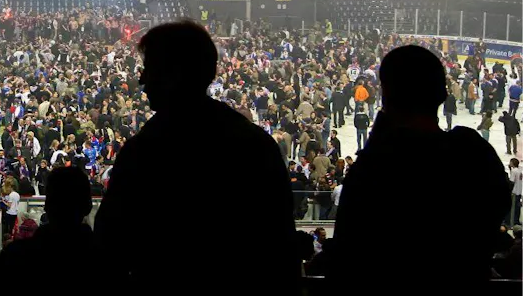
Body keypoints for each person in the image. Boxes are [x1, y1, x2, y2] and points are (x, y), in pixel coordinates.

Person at [93, 21, 297, 292]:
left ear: (175, 74)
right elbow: (280, 244)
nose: (142, 80)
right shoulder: (254, 143)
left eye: (151, 69)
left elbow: (111, 242)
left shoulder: (146, 149)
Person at [330, 45, 510, 290]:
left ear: (386, 97)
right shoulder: (470, 155)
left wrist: (381, 132)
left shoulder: (373, 169)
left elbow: (348, 249)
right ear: (441, 94)